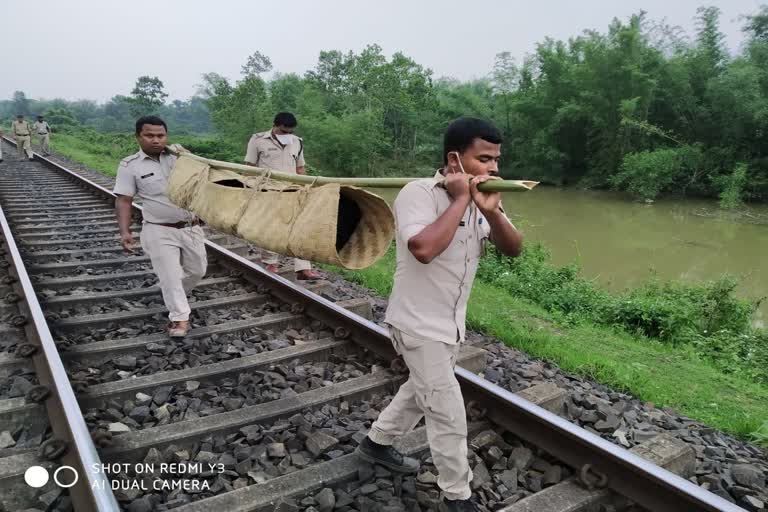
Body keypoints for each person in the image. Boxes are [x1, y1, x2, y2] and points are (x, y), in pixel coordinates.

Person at [355, 117, 523, 512]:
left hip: (451, 324)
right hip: (416, 325)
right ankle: (456, 496)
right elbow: (423, 249)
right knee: (447, 411)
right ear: (455, 158)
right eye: (484, 159)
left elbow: (514, 249)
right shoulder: (418, 193)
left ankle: (375, 443)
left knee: (420, 391)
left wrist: (493, 213)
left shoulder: (487, 197)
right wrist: (462, 201)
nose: (494, 168)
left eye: (496, 160)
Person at [113, 116, 207, 338]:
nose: (156, 140)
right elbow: (124, 200)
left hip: (190, 227)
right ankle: (180, 318)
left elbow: (201, 184)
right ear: (138, 136)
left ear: (166, 136)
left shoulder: (180, 158)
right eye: (149, 135)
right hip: (158, 229)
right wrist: (125, 232)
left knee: (197, 271)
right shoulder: (130, 165)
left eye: (160, 135)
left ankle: (172, 294)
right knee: (171, 275)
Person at [244, 112, 321, 280]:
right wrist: (249, 191)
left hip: (293, 191)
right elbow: (249, 167)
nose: (287, 135)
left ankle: (303, 268)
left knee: (300, 227)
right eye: (283, 131)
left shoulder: (297, 142)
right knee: (271, 227)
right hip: (268, 191)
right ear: (275, 125)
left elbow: (300, 169)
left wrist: (306, 189)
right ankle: (271, 262)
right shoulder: (257, 140)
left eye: (290, 132)